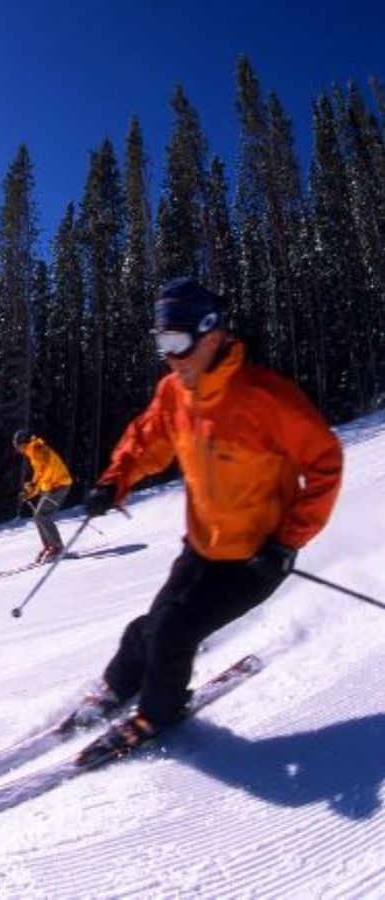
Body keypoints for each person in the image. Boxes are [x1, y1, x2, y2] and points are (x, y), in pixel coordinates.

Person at [80, 276, 342, 753]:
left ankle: (159, 713)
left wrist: (288, 541)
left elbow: (325, 462)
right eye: (163, 343)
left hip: (255, 558)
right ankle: (118, 684)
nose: (171, 356)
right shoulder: (173, 393)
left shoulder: (266, 397)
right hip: (202, 546)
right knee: (148, 625)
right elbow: (147, 440)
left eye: (178, 342)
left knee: (173, 632)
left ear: (213, 334)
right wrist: (113, 481)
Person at [13, 430, 74, 563]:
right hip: (53, 486)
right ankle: (49, 546)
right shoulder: (34, 450)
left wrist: (33, 486)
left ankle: (57, 547)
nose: (18, 450)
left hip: (60, 485)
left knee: (42, 515)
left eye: (18, 446)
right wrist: (30, 491)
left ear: (24, 443)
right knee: (38, 515)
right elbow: (40, 473)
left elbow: (46, 470)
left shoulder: (37, 449)